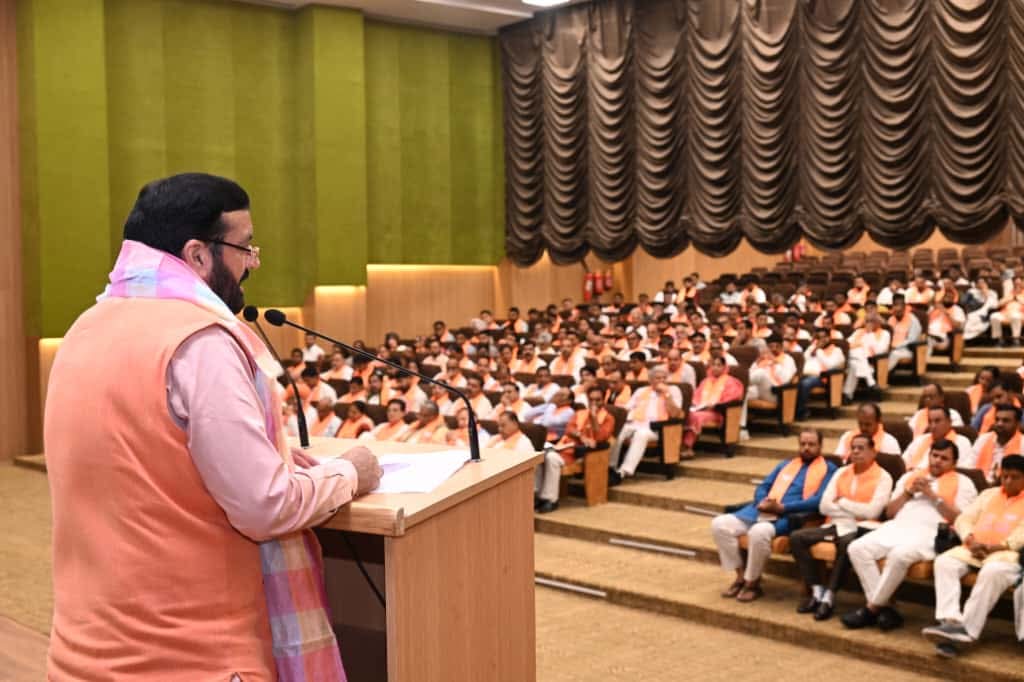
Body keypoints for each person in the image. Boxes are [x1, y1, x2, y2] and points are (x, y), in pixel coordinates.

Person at [44, 173, 382, 678]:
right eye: (245, 247)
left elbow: (151, 467)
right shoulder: (200, 343)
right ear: (199, 255)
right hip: (192, 658)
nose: (253, 263)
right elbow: (265, 506)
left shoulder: (82, 329)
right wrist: (351, 473)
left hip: (80, 656)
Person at [843, 440, 978, 631]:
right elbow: (890, 512)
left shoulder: (964, 483)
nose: (937, 461)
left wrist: (932, 495)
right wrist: (908, 492)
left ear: (954, 463)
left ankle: (872, 608)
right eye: (934, 455)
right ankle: (885, 607)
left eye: (944, 458)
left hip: (930, 532)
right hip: (898, 526)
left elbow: (960, 520)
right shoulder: (910, 476)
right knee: (856, 548)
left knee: (899, 555)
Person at [710, 429, 836, 603]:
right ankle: (740, 576)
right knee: (719, 524)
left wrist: (783, 508)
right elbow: (763, 486)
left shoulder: (829, 469)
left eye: (811, 444)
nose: (806, 448)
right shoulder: (786, 464)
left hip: (788, 516)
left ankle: (752, 583)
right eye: (803, 444)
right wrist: (762, 501)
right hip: (760, 511)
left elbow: (819, 500)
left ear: (820, 446)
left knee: (758, 532)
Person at [921, 455, 1024, 657]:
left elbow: (1022, 535)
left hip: (1006, 554)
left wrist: (995, 547)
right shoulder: (988, 494)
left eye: (1015, 477)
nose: (1008, 481)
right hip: (974, 549)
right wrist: (970, 539)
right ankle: (950, 622)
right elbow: (964, 519)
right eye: (1005, 476)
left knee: (992, 572)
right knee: (944, 562)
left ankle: (967, 630)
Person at [789, 434, 894, 620]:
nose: (856, 452)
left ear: (873, 452)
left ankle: (829, 597)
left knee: (847, 542)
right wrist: (853, 510)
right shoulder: (841, 472)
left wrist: (842, 502)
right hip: (835, 524)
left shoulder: (884, 477)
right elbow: (824, 506)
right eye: (853, 448)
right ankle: (817, 591)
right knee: (797, 538)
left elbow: (872, 512)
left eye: (861, 448)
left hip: (863, 528)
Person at [607, 368, 684, 483]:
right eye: (658, 378)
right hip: (634, 423)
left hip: (657, 428)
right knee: (619, 431)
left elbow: (675, 414)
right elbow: (627, 408)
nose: (662, 381)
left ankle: (623, 472)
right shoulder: (641, 391)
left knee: (641, 434)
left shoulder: (674, 390)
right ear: (650, 380)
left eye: (664, 378)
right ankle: (611, 467)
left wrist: (667, 394)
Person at [681, 357, 744, 458]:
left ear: (724, 367)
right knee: (686, 414)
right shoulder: (705, 381)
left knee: (695, 417)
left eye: (719, 365)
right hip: (700, 410)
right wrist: (697, 405)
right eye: (713, 365)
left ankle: (687, 447)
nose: (715, 368)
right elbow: (695, 398)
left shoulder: (731, 382)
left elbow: (732, 398)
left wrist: (714, 405)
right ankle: (679, 446)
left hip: (718, 412)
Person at [741, 335, 798, 437]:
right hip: (758, 390)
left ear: (782, 347)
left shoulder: (788, 359)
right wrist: (757, 363)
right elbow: (750, 374)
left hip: (775, 393)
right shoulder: (761, 359)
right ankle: (742, 428)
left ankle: (738, 382)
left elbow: (786, 379)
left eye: (777, 346)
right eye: (771, 346)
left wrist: (775, 363)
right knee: (742, 392)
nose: (774, 349)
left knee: (761, 373)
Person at [903, 406, 974, 472]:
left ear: (949, 422)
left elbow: (963, 470)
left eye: (937, 421)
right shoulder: (920, 439)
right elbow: (904, 462)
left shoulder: (962, 442)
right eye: (930, 422)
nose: (933, 426)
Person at [966, 403, 1022, 484]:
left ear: (1018, 424)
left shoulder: (1022, 443)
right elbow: (969, 465)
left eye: (1005, 420)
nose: (999, 424)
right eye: (997, 420)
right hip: (979, 485)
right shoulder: (984, 439)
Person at [842, 315, 890, 402]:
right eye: (867, 321)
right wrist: (861, 345)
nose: (869, 324)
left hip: (871, 361)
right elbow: (847, 344)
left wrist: (870, 334)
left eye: (872, 321)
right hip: (853, 357)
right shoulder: (858, 331)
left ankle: (848, 395)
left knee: (854, 365)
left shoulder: (884, 333)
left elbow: (880, 350)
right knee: (857, 352)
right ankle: (871, 382)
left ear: (878, 323)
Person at [834, 403, 901, 461]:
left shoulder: (889, 442)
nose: (863, 428)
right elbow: (838, 461)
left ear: (878, 421)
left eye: (868, 424)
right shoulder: (847, 436)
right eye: (860, 424)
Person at [887, 295, 924, 367]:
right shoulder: (890, 319)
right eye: (895, 305)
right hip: (891, 349)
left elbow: (912, 340)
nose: (897, 308)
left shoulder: (912, 320)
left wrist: (896, 346)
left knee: (893, 354)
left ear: (904, 307)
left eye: (900, 305)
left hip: (907, 350)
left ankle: (881, 373)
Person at [991, 275, 1024, 345]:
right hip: (1005, 314)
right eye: (1015, 283)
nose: (1017, 285)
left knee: (1015, 316)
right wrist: (1009, 298)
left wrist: (1018, 298)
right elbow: (998, 304)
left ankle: (1016, 338)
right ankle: (998, 338)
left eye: (1019, 283)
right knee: (994, 316)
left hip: (1020, 314)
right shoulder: (1009, 293)